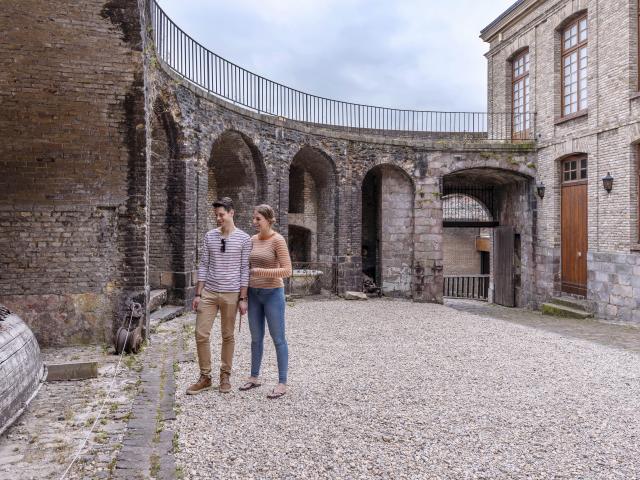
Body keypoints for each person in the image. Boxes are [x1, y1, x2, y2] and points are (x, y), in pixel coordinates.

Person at [187, 197, 251, 395]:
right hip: (209, 292)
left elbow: (244, 270)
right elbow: (204, 265)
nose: (218, 219)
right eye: (216, 215)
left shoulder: (244, 239)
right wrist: (198, 294)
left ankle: (225, 375)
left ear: (232, 213)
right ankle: (205, 377)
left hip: (232, 294)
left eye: (221, 215)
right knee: (201, 334)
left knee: (228, 335)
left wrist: (242, 298)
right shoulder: (209, 236)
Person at [239, 204, 292, 399]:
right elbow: (245, 267)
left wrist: (261, 272)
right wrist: (242, 296)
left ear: (269, 220)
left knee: (278, 338)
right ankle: (254, 377)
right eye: (254, 219)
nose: (254, 222)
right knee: (255, 338)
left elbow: (287, 270)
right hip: (253, 294)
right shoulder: (252, 240)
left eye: (258, 219)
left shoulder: (277, 240)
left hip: (273, 293)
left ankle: (282, 382)